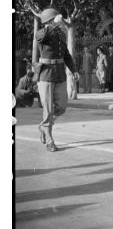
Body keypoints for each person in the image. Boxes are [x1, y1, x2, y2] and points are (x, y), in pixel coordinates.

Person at [35, 8, 79, 152]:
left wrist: (74, 70)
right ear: (48, 21)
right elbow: (41, 37)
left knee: (61, 106)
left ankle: (43, 126)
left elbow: (66, 54)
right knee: (48, 109)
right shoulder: (42, 33)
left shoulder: (60, 34)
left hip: (59, 74)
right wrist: (52, 25)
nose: (58, 22)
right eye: (54, 19)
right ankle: (49, 141)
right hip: (46, 75)